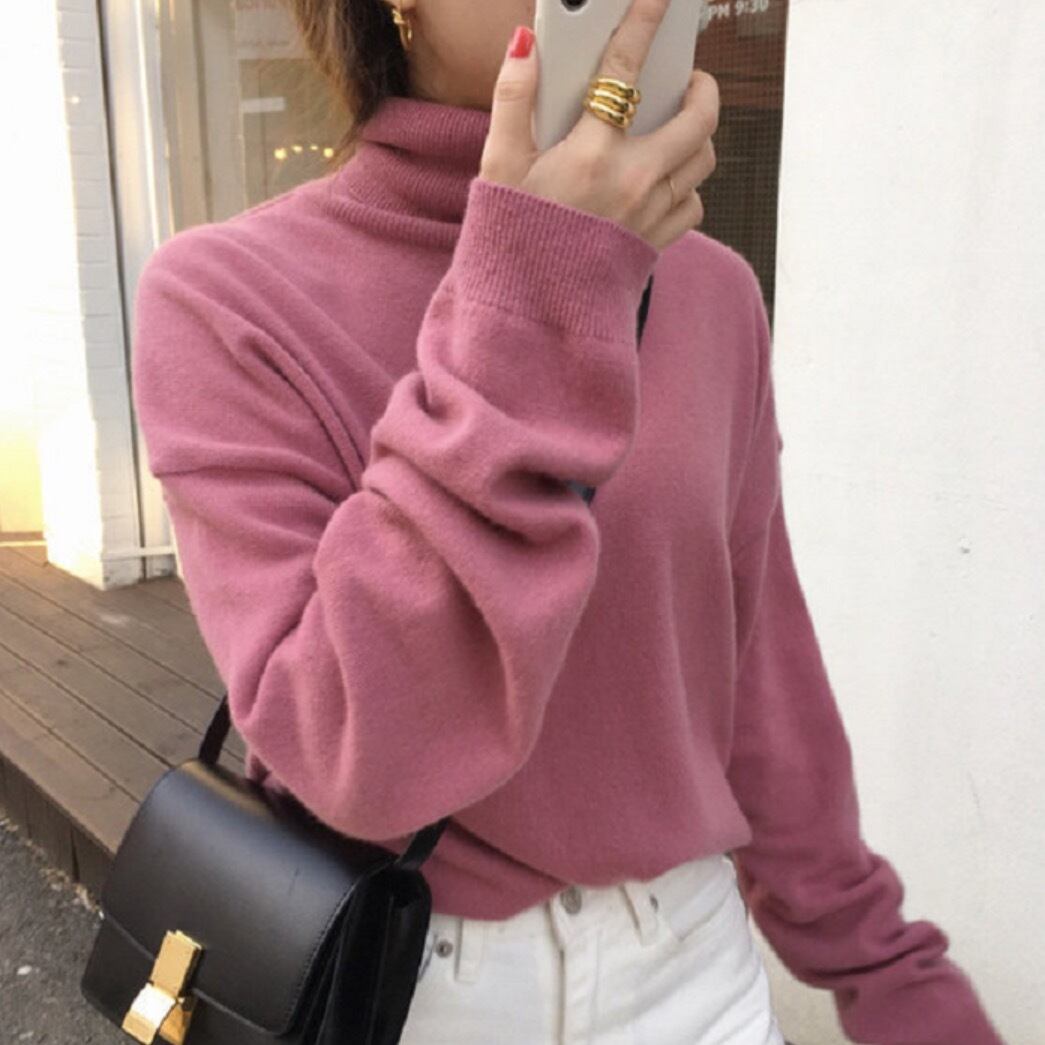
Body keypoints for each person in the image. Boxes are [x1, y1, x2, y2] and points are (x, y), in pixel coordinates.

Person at [130, 0, 1002, 1041]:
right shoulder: (226, 297)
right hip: (411, 980)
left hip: (693, 974)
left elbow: (757, 682)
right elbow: (359, 750)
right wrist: (538, 280)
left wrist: (890, 971)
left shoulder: (711, 293)